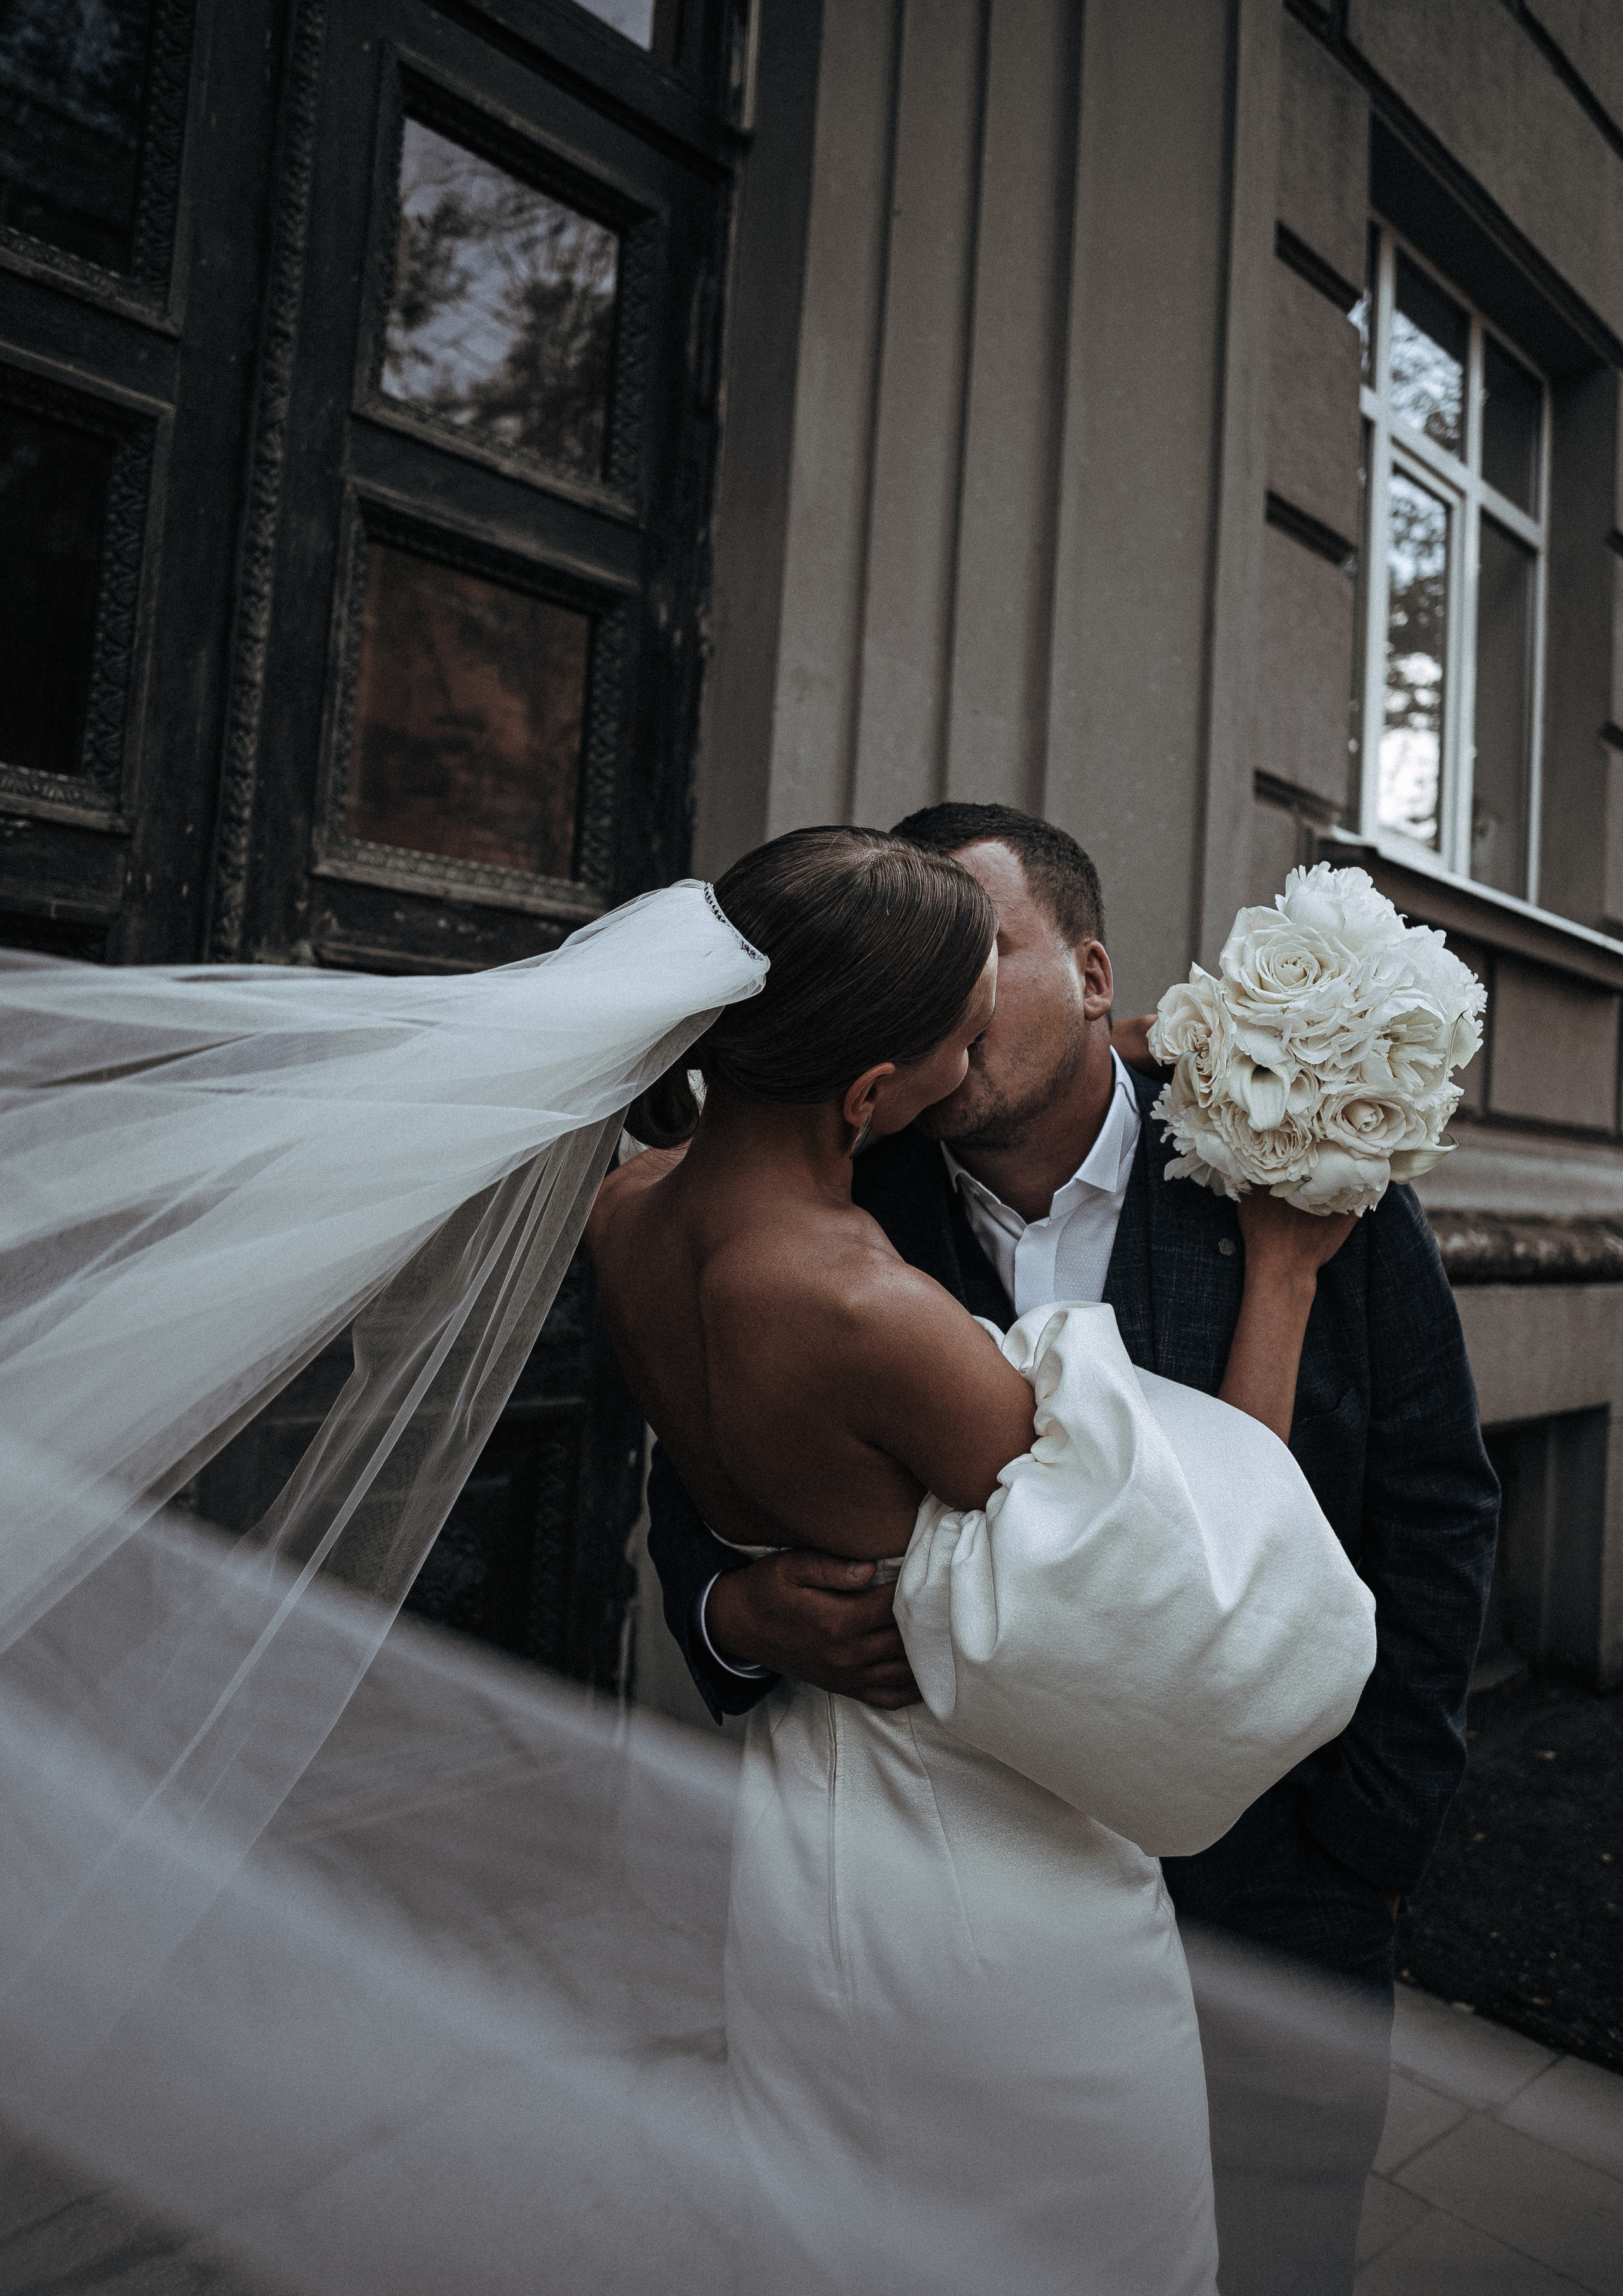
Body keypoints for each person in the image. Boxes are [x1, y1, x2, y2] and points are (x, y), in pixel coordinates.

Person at [643, 803, 1500, 2295]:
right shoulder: (847, 1199)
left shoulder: (1296, 1167)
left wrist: (1366, 1843)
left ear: (1094, 969)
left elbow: (1435, 1503)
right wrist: (734, 1612)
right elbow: (699, 1472)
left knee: (1282, 2248)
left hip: (1274, 1874)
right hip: (965, 1914)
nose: (951, 1018)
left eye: (983, 960)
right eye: (924, 985)